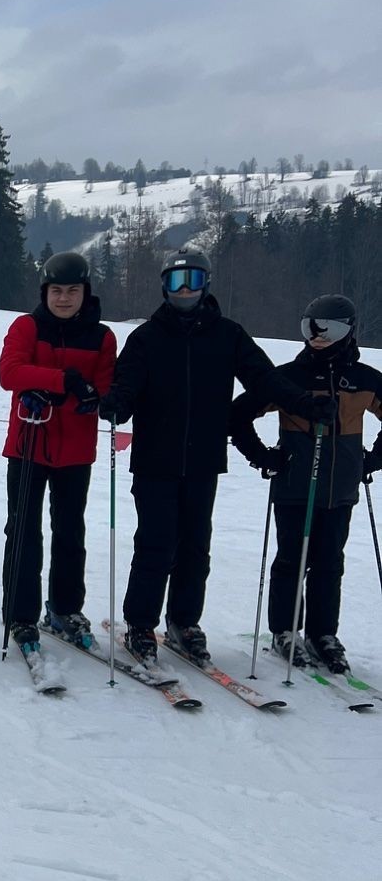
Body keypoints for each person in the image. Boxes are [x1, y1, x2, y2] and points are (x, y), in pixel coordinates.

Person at [100, 249, 333, 665]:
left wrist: (303, 403)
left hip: (205, 461)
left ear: (206, 284)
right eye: (176, 281)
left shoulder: (228, 335)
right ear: (164, 286)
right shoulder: (146, 338)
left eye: (192, 279)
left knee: (195, 546)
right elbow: (127, 387)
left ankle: (184, 621)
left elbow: (264, 379)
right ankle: (140, 623)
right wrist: (116, 404)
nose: (185, 289)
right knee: (156, 544)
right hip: (156, 461)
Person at [229, 295, 382, 674]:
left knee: (330, 562)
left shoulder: (364, 379)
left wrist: (373, 459)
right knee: (291, 560)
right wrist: (263, 456)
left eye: (327, 329)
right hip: (296, 482)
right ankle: (285, 630)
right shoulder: (287, 378)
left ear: (348, 331)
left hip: (341, 488)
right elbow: (236, 414)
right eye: (309, 328)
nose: (316, 337)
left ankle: (323, 634)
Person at [0, 251, 117, 650]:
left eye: (72, 291)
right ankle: (20, 614)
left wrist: (71, 394)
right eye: (56, 291)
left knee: (70, 533)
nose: (64, 298)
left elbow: (100, 388)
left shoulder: (102, 337)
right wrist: (62, 379)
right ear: (45, 293)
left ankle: (65, 608)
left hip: (76, 451)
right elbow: (10, 373)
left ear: (86, 293)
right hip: (28, 445)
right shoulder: (27, 327)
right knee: (23, 531)